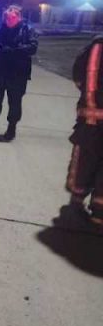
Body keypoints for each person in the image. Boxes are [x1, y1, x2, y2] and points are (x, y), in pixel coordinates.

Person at [0, 5, 38, 141]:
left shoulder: (27, 31)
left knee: (15, 102)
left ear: (19, 17)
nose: (9, 20)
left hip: (17, 74)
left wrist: (12, 50)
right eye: (7, 17)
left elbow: (32, 48)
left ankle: (11, 128)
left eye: (12, 17)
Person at [65, 36, 103, 229]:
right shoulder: (96, 47)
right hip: (92, 119)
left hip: (90, 119)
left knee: (84, 163)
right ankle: (97, 214)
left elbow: (79, 76)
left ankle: (79, 205)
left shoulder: (94, 47)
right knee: (89, 164)